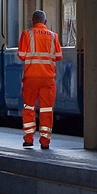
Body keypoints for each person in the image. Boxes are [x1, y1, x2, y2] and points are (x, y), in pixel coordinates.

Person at [17, 10, 63, 149]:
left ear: (33, 21)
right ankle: (45, 141)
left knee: (29, 107)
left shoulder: (27, 34)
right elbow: (59, 56)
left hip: (31, 78)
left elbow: (22, 55)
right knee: (46, 110)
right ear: (45, 22)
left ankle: (29, 139)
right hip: (48, 79)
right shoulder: (53, 36)